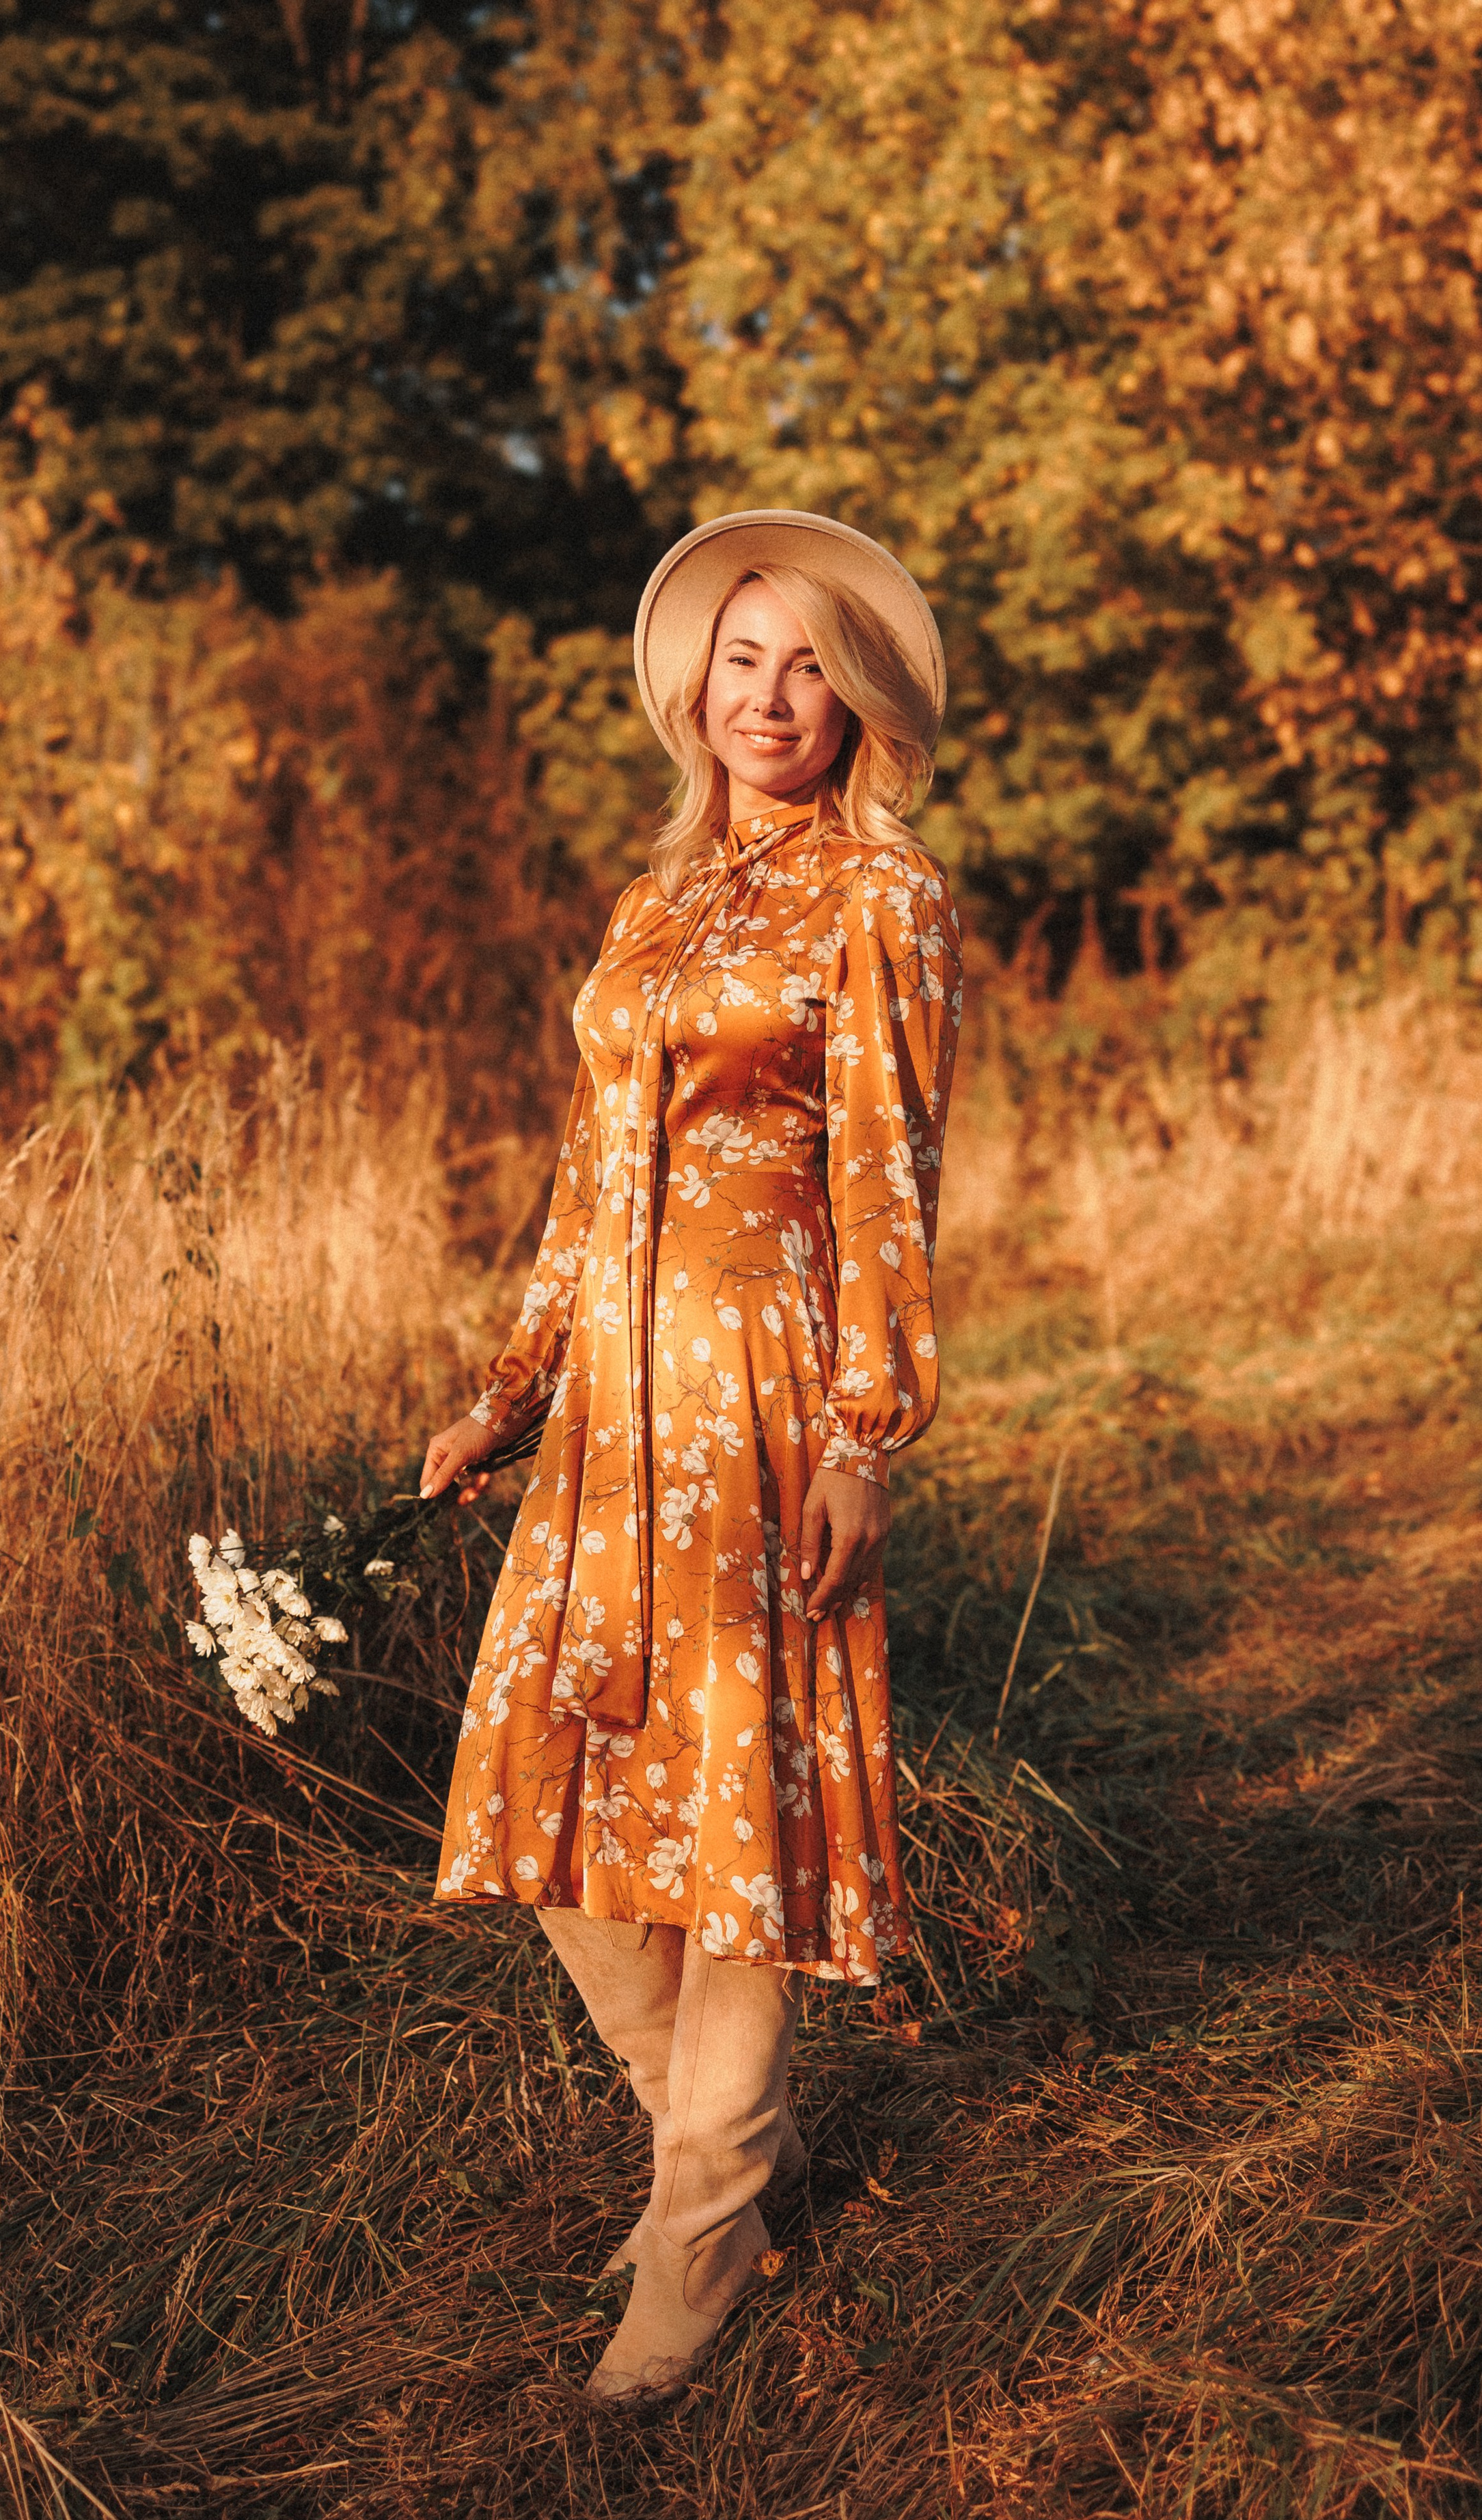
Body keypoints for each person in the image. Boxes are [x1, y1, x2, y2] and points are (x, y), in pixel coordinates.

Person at [420, 508, 961, 2407]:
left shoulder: (880, 898)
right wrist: (508, 1384)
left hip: (757, 1385)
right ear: (693, 688)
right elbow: (587, 1183)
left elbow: (891, 1181)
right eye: (743, 660)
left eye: (809, 664)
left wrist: (866, 1437)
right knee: (553, 1794)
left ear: (859, 697)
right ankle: (706, 2154)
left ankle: (710, 2214)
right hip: (612, 1406)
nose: (771, 698)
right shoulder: (651, 908)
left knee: (732, 1807)